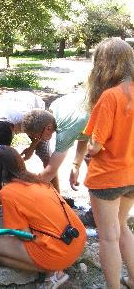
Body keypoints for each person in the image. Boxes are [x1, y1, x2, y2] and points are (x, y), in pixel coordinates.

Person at [0, 146, 86, 289]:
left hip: (59, 253)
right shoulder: (39, 180)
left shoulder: (7, 192)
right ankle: (55, 266)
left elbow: (24, 235)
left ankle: (53, 272)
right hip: (77, 240)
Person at [83, 38, 134, 289]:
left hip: (108, 177)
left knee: (108, 237)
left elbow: (95, 145)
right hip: (132, 175)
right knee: (123, 226)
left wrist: (86, 152)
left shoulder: (110, 97)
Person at [0, 91, 48, 195]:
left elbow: (43, 131)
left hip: (32, 104)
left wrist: (31, 148)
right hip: (6, 101)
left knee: (45, 154)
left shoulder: (27, 120)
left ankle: (53, 192)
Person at [22, 92, 90, 193]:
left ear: (48, 128)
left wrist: (22, 189)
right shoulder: (55, 107)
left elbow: (49, 172)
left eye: (38, 136)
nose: (38, 140)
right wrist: (76, 165)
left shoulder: (64, 130)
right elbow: (84, 133)